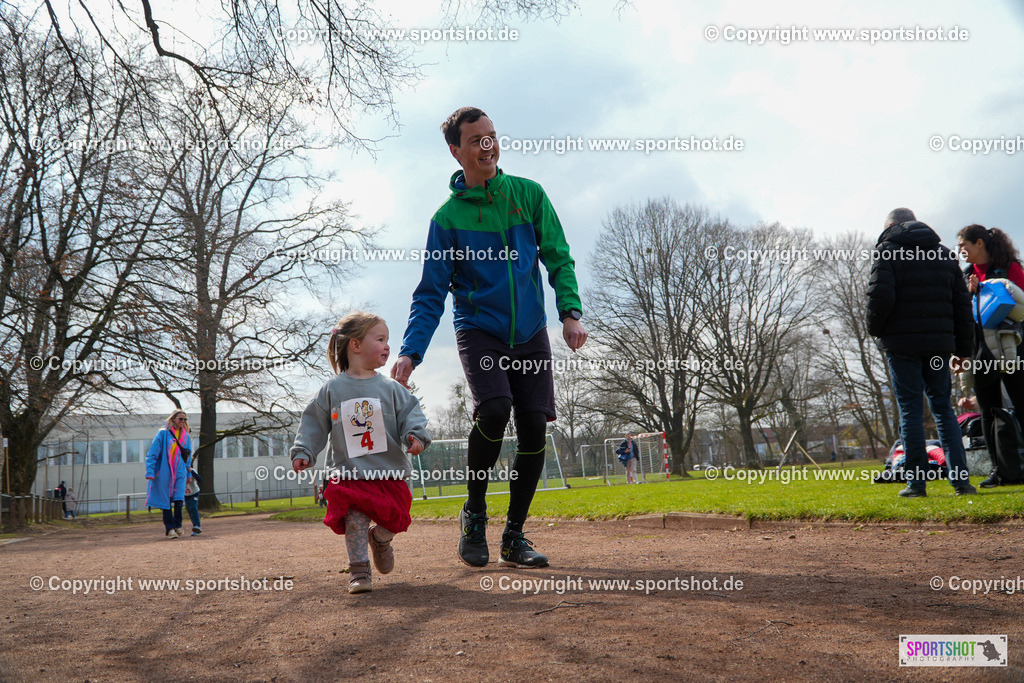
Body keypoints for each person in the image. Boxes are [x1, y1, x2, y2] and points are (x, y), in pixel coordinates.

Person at [392, 107, 587, 569]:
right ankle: (475, 514)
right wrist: (411, 351)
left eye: (492, 137)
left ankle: (514, 535)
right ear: (455, 151)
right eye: (476, 140)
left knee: (534, 425)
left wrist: (570, 312)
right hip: (479, 329)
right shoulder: (446, 220)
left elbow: (558, 256)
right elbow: (430, 293)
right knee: (496, 409)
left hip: (530, 330)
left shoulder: (528, 195)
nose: (488, 146)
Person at [291, 311, 431, 594]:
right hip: (349, 472)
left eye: (387, 340)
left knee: (397, 518)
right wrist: (304, 450)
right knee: (354, 521)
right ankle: (359, 571)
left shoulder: (392, 389)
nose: (387, 346)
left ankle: (380, 538)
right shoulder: (332, 389)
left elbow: (411, 415)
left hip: (389, 473)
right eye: (380, 339)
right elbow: (313, 423)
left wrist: (416, 436)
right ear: (355, 345)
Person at [866, 208, 976, 497]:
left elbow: (880, 296)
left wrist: (876, 330)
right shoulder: (944, 254)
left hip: (902, 345)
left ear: (891, 224)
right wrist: (964, 350)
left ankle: (916, 484)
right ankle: (961, 482)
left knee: (910, 411)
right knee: (943, 409)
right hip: (939, 346)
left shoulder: (887, 251)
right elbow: (961, 305)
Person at [956, 224, 1024, 487]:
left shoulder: (1009, 268)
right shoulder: (966, 276)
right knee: (988, 409)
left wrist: (988, 288)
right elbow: (963, 315)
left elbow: (1022, 305)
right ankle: (1000, 470)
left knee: (1021, 402)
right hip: (981, 352)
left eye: (964, 245)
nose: (961, 251)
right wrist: (970, 293)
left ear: (979, 243)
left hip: (1012, 349)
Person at [145, 410, 191, 538]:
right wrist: (150, 471)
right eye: (180, 419)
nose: (183, 421)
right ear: (173, 419)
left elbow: (188, 456)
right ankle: (170, 529)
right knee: (165, 501)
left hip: (180, 472)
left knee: (179, 500)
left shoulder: (186, 436)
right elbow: (152, 454)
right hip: (165, 472)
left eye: (185, 419)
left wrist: (188, 474)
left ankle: (178, 525)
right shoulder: (163, 433)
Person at [184, 463, 202, 536]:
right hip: (186, 494)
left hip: (194, 493)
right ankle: (195, 526)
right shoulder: (179, 472)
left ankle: (197, 525)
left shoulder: (191, 471)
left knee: (193, 507)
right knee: (189, 510)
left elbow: (200, 479)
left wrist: (192, 471)